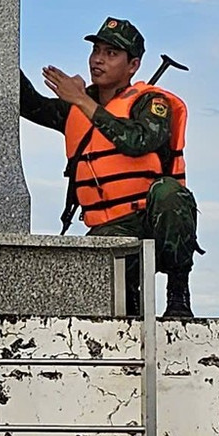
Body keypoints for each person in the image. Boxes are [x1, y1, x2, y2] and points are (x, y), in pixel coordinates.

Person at [18, 17, 201, 319]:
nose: (98, 60)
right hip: (110, 225)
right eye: (96, 51)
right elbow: (31, 105)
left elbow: (137, 140)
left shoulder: (152, 103)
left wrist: (80, 100)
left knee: (171, 194)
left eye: (111, 53)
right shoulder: (77, 106)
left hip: (152, 221)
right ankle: (131, 307)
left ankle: (178, 293)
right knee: (99, 290)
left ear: (133, 65)